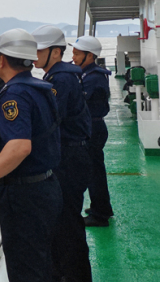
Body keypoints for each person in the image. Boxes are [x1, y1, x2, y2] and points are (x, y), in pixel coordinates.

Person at [0, 29, 62, 282]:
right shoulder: (41, 88)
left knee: (26, 269)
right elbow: (38, 137)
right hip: (47, 186)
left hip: (24, 196)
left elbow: (20, 147)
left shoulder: (14, 94)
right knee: (42, 262)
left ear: (1, 60)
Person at [32, 25, 93, 282]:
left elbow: (49, 120)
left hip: (69, 159)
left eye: (41, 49)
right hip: (69, 156)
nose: (35, 54)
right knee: (64, 224)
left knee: (67, 227)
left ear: (56, 52)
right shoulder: (57, 76)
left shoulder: (62, 79)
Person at [72, 35, 114, 227]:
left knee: (93, 172)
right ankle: (101, 206)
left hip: (93, 129)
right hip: (93, 127)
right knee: (94, 170)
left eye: (77, 53)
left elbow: (79, 103)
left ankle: (100, 214)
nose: (73, 57)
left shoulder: (94, 77)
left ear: (89, 56)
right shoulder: (89, 73)